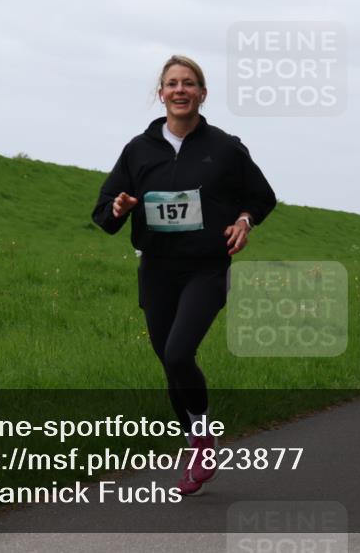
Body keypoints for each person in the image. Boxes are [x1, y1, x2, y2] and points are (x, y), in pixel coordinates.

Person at [92, 55, 276, 495]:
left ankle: (202, 438)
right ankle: (198, 438)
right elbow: (103, 211)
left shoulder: (225, 146)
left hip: (206, 267)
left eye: (189, 83)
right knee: (168, 363)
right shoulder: (138, 150)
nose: (180, 90)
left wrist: (244, 220)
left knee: (178, 354)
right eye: (172, 83)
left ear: (202, 93)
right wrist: (118, 208)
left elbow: (263, 196)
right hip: (156, 268)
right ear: (160, 94)